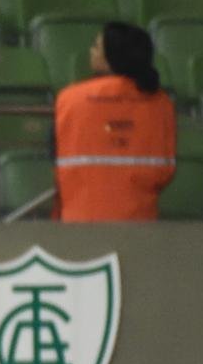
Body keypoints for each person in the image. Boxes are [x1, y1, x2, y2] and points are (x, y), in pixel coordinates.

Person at [52, 22, 176, 221]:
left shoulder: (69, 98)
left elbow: (56, 156)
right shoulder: (161, 103)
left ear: (111, 57)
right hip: (139, 220)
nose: (91, 51)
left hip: (79, 219)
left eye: (96, 46)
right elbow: (165, 170)